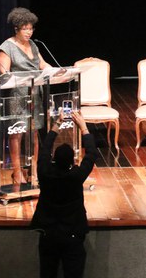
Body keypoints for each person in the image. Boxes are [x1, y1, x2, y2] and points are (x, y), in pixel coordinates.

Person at [31, 110, 97, 278]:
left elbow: (44, 149)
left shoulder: (45, 173)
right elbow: (91, 155)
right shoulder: (75, 176)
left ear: (53, 159)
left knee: (47, 273)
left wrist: (57, 124)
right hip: (72, 235)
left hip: (49, 235)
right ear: (72, 162)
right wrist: (83, 127)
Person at [0, 7, 53, 185]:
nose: (29, 32)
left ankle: (35, 171)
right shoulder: (6, 47)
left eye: (31, 28)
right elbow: (4, 73)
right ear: (16, 28)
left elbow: (42, 64)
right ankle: (17, 171)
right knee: (17, 134)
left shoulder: (34, 45)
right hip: (16, 97)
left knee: (34, 133)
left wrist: (57, 71)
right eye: (25, 29)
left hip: (34, 94)